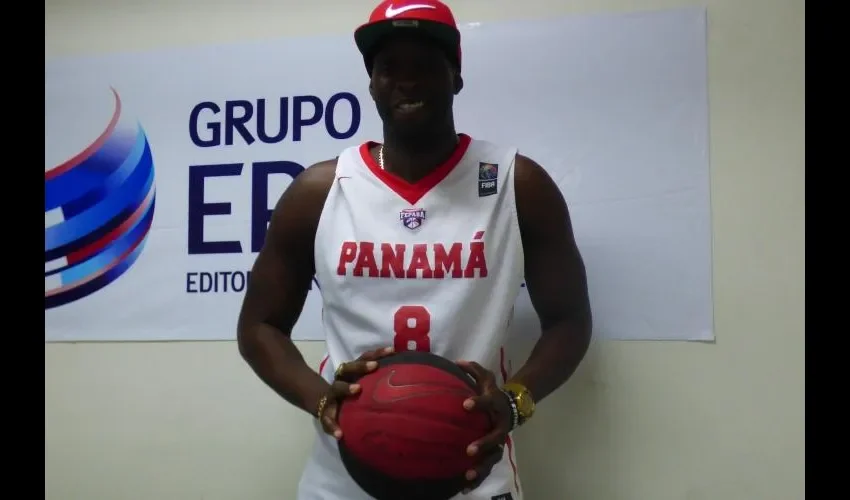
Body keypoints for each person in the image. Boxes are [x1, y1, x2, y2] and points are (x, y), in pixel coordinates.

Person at [236, 0, 593, 498]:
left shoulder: (516, 183)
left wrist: (513, 403)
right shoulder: (319, 191)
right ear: (372, 84)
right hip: (344, 480)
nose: (406, 81)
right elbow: (258, 326)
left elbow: (570, 321)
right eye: (389, 68)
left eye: (424, 65)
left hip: (473, 474)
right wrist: (321, 400)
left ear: (456, 77)